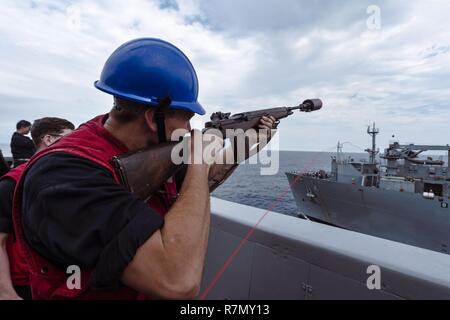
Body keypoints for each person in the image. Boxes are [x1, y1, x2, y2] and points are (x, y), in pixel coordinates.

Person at [13, 38, 276, 300]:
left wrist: (240, 150)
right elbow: (177, 282)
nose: (189, 130)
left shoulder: (151, 151)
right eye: (186, 119)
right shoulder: (62, 176)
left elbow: (194, 189)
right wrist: (199, 159)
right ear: (153, 118)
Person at [0, 117, 75, 300]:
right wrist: (6, 293)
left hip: (67, 276)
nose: (76, 144)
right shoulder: (12, 183)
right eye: (70, 138)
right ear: (48, 139)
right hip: (26, 282)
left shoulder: (72, 178)